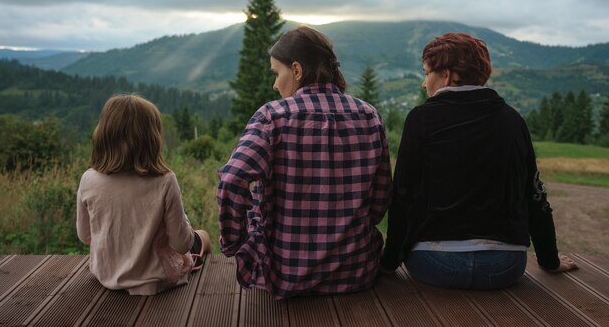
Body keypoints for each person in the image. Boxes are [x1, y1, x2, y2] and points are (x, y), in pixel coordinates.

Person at [380, 32, 577, 289]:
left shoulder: (421, 119)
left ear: (447, 74)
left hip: (435, 263)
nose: (424, 83)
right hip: (505, 266)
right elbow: (534, 194)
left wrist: (389, 261)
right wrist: (550, 261)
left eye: (427, 73)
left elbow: (403, 194)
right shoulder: (512, 120)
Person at [217, 26, 392, 299]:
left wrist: (234, 243)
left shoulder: (271, 117)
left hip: (285, 276)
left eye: (277, 73)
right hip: (357, 272)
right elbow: (379, 201)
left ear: (296, 70)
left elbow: (231, 180)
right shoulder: (369, 115)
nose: (275, 84)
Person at [76, 94, 211, 295]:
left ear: (104, 134)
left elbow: (85, 236)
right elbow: (182, 244)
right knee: (204, 237)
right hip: (156, 281)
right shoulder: (165, 180)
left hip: (107, 275)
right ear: (152, 139)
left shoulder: (88, 179)